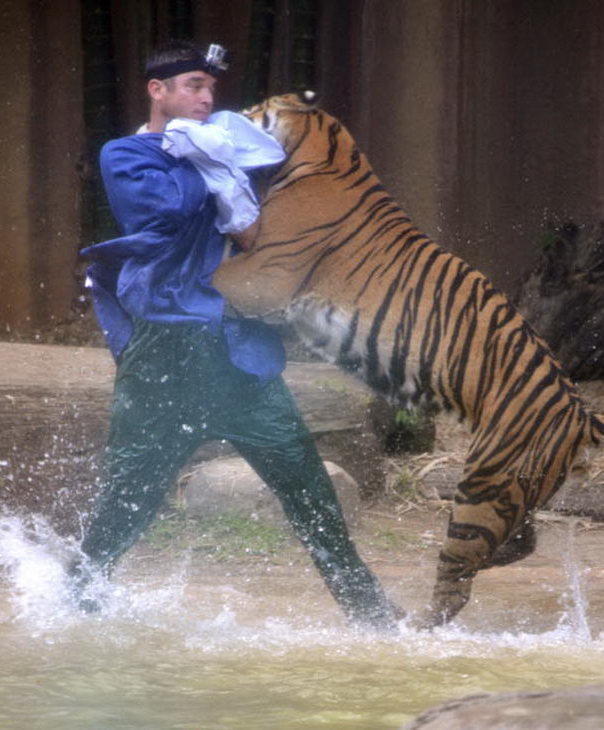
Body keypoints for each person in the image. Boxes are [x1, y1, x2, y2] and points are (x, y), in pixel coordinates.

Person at [70, 40, 398, 630]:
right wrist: (215, 159)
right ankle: (72, 604)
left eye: (210, 90)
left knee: (309, 492)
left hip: (240, 353)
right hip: (166, 350)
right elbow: (166, 210)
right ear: (158, 90)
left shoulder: (227, 154)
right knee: (129, 500)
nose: (206, 99)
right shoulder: (125, 155)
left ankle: (373, 616)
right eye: (193, 86)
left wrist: (232, 162)